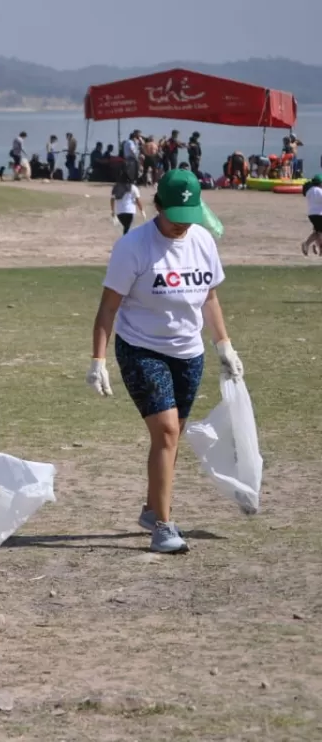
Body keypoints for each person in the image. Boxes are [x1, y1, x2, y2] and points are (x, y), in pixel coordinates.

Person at [87, 170, 244, 555]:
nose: (182, 224)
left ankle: (150, 507)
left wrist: (224, 345)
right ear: (158, 207)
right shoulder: (134, 247)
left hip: (189, 353)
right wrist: (98, 359)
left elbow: (209, 297)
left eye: (189, 214)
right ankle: (162, 525)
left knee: (169, 439)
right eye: (175, 215)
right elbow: (109, 306)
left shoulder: (203, 239)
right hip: (141, 348)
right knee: (168, 432)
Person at [302, 174, 322, 256]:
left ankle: (318, 248)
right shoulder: (319, 191)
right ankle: (307, 244)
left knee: (318, 231)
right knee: (319, 232)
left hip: (311, 214)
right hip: (319, 214)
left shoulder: (309, 191)